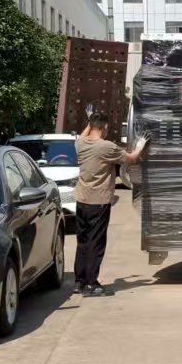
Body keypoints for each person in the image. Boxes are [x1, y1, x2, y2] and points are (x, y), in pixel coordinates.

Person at [73, 112, 147, 297]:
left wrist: (90, 121)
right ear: (104, 127)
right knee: (96, 243)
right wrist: (141, 145)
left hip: (82, 200)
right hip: (98, 202)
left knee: (83, 242)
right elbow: (131, 159)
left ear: (90, 125)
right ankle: (91, 284)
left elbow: (84, 133)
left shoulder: (80, 144)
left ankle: (79, 282)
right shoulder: (106, 147)